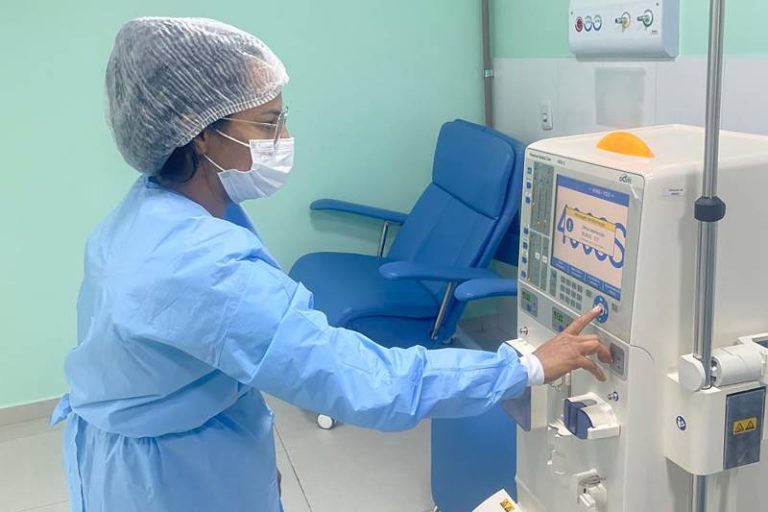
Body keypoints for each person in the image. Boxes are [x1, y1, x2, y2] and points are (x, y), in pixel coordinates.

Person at [52, 17, 612, 512]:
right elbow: (364, 381)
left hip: (147, 454)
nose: (285, 139)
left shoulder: (147, 211)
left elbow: (204, 355)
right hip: (173, 480)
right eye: (268, 124)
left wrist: (246, 460)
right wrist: (523, 368)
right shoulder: (202, 267)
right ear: (200, 134)